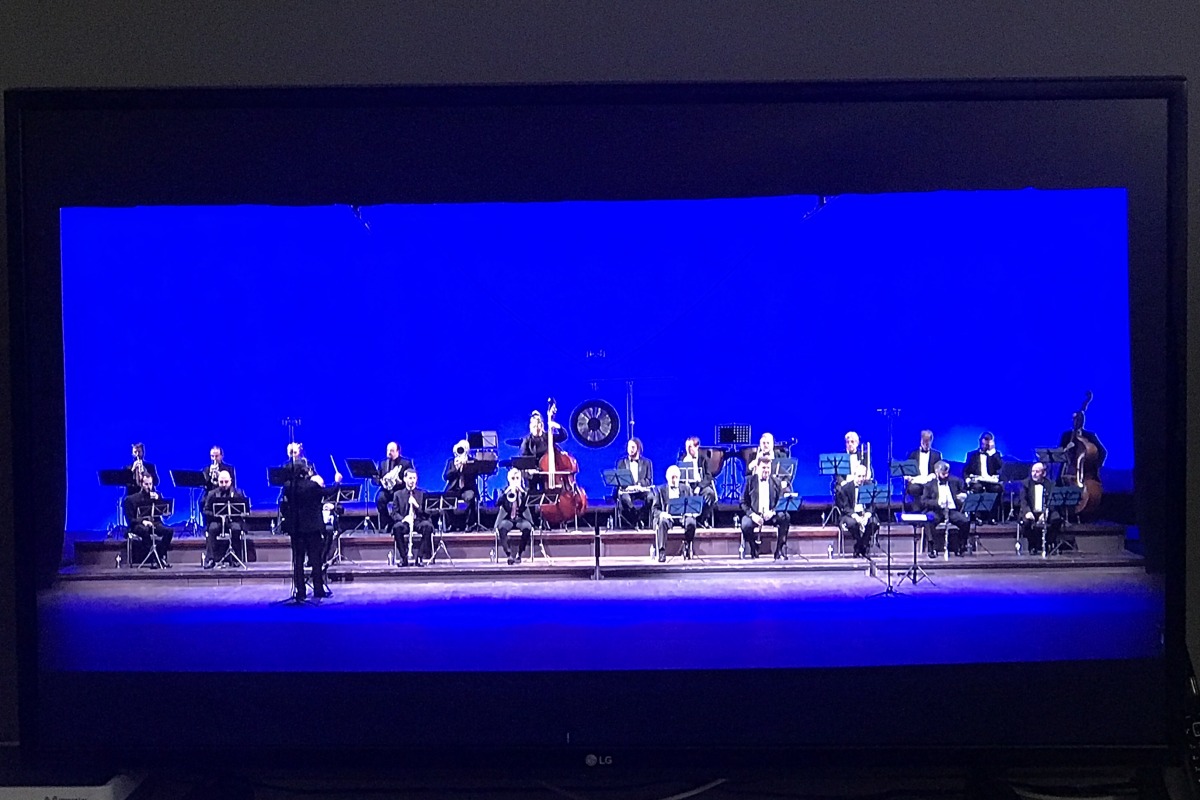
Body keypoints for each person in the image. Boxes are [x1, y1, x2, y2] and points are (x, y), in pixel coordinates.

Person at [279, 462, 332, 600]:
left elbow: (284, 506)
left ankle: (300, 591)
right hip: (312, 528)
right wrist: (337, 483)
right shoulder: (311, 486)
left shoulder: (288, 487)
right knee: (315, 559)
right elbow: (327, 492)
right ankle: (318, 589)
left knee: (298, 560)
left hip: (296, 529)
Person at [740, 460, 790, 560]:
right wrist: (752, 515)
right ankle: (754, 548)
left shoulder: (776, 482)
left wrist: (772, 512)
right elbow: (743, 502)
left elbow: (780, 501)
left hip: (770, 515)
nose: (766, 470)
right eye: (763, 468)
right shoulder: (750, 481)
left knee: (785, 517)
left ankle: (779, 550)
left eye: (768, 468)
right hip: (755, 515)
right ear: (757, 468)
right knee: (745, 524)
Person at [122, 472, 174, 567]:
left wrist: (159, 500)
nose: (149, 487)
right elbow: (130, 519)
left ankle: (160, 554)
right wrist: (143, 521)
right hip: (138, 525)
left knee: (169, 531)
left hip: (154, 523)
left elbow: (165, 514)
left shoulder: (156, 496)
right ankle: (155, 558)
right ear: (142, 484)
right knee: (144, 530)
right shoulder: (131, 499)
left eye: (150, 484)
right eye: (146, 484)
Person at [921, 461, 970, 557]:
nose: (946, 475)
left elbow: (963, 493)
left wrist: (963, 497)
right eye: (943, 474)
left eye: (947, 473)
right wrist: (937, 503)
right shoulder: (929, 485)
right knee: (929, 520)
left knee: (965, 521)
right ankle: (933, 548)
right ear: (936, 472)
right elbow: (924, 501)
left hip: (951, 510)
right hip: (936, 510)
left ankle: (961, 546)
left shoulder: (956, 481)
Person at [202, 469, 247, 568]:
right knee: (212, 529)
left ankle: (236, 558)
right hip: (217, 520)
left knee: (236, 529)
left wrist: (238, 513)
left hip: (233, 520)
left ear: (230, 481)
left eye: (226, 482)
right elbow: (205, 510)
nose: (224, 484)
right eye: (221, 482)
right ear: (218, 481)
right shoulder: (212, 493)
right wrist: (216, 514)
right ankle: (211, 559)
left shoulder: (238, 493)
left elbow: (244, 509)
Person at [651, 465, 697, 562]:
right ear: (667, 478)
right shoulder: (660, 490)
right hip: (668, 517)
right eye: (672, 477)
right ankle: (662, 552)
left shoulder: (686, 489)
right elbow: (655, 509)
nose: (674, 480)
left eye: (676, 477)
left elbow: (692, 505)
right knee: (662, 522)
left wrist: (690, 513)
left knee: (691, 522)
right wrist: (662, 514)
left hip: (683, 517)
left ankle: (688, 545)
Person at [391, 467, 434, 567]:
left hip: (418, 520)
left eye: (414, 478)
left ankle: (419, 557)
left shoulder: (422, 494)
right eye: (410, 478)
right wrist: (403, 519)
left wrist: (416, 505)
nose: (412, 481)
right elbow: (394, 513)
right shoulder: (398, 494)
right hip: (405, 521)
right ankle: (404, 558)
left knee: (428, 526)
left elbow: (427, 513)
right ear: (405, 479)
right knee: (397, 528)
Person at [1019, 461, 1063, 555]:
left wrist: (1046, 512)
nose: (1034, 474)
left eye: (1037, 471)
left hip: (1046, 510)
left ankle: (1049, 543)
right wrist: (1027, 512)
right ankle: (1032, 546)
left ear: (1044, 473)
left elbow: (1053, 500)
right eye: (1033, 471)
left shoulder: (1050, 484)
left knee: (1056, 518)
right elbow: (1023, 500)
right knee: (1027, 522)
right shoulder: (1025, 484)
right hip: (1031, 511)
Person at [837, 464, 879, 558]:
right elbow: (845, 507)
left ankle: (862, 545)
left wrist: (867, 515)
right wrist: (856, 517)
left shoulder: (870, 486)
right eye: (859, 476)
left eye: (863, 476)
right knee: (852, 523)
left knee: (874, 523)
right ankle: (861, 546)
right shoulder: (845, 488)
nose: (861, 479)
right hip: (850, 514)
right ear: (854, 475)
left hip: (865, 513)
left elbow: (873, 505)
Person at [962, 432, 1003, 523]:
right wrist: (967, 479)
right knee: (978, 487)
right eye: (982, 444)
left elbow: (1000, 467)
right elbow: (965, 471)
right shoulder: (972, 455)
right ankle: (977, 517)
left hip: (990, 481)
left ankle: (992, 517)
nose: (984, 446)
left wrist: (992, 451)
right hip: (977, 480)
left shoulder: (995, 455)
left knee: (997, 488)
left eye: (986, 444)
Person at [495, 467, 533, 565]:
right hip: (508, 519)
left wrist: (522, 492)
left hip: (521, 518)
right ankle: (509, 554)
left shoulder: (525, 491)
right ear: (509, 480)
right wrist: (507, 492)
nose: (515, 481)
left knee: (527, 527)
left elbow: (529, 503)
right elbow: (497, 503)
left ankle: (519, 554)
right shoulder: (504, 490)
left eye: (517, 478)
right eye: (513, 478)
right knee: (502, 527)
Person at [615, 437, 655, 529]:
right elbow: (619, 480)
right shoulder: (621, 463)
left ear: (638, 448)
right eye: (629, 447)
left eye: (633, 447)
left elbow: (649, 480)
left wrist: (639, 485)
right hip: (628, 490)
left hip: (641, 490)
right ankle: (636, 516)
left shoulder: (647, 462)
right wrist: (628, 486)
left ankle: (640, 516)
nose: (630, 449)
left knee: (651, 497)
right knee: (625, 499)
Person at [373, 441, 413, 532]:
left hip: (400, 490)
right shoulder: (382, 463)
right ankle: (387, 522)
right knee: (379, 499)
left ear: (398, 451)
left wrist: (401, 481)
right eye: (388, 450)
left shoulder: (406, 463)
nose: (389, 453)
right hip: (387, 490)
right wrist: (380, 482)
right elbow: (376, 478)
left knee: (400, 498)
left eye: (391, 450)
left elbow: (412, 478)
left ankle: (401, 522)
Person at [680, 436, 718, 527]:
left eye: (690, 447)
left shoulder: (703, 458)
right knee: (684, 493)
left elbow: (708, 476)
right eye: (687, 447)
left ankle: (702, 519)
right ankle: (687, 520)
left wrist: (699, 487)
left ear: (696, 447)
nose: (688, 450)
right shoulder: (683, 458)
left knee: (710, 493)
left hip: (700, 485)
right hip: (688, 485)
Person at [442, 440, 478, 531]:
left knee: (470, 497)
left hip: (467, 488)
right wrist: (456, 468)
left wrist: (466, 466)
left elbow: (474, 475)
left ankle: (469, 524)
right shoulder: (451, 462)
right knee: (446, 498)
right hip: (454, 488)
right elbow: (446, 477)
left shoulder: (473, 461)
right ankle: (451, 524)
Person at [904, 430, 942, 511]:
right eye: (924, 442)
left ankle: (929, 512)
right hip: (916, 481)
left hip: (930, 482)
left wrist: (934, 475)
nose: (925, 445)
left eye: (927, 443)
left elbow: (938, 470)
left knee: (931, 489)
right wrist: (908, 477)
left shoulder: (936, 455)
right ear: (921, 440)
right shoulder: (913, 454)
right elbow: (907, 470)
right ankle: (917, 512)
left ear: (931, 441)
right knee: (914, 489)